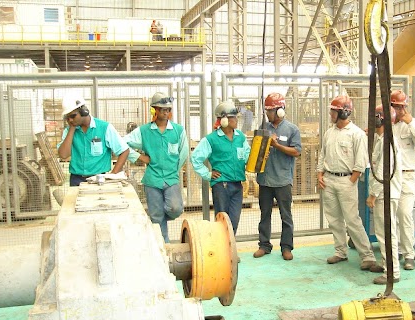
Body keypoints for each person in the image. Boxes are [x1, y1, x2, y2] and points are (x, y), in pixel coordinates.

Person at [317, 94, 377, 270]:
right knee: (334, 219)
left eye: (334, 111)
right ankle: (340, 252)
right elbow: (323, 154)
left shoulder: (357, 134)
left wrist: (351, 181)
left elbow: (361, 162)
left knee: (352, 220)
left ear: (344, 112)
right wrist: (320, 174)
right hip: (329, 180)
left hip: (346, 181)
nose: (331, 114)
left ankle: (367, 256)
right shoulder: (330, 132)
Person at [124, 92, 189, 243]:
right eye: (162, 109)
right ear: (154, 110)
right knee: (156, 217)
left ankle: (161, 217)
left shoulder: (178, 131)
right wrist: (139, 157)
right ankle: (163, 248)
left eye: (167, 110)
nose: (165, 113)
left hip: (171, 178)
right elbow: (123, 143)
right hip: (152, 179)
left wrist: (174, 169)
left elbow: (184, 152)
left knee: (175, 208)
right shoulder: (144, 131)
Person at [253, 93, 302, 261]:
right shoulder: (263, 127)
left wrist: (276, 145)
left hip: (282, 180)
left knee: (286, 216)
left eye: (271, 110)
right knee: (264, 214)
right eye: (266, 111)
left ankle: (286, 247)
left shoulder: (292, 129)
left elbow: (296, 151)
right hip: (265, 180)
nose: (268, 114)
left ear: (280, 110)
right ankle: (264, 245)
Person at [191, 100, 250, 235]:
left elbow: (247, 154)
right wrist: (208, 174)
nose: (236, 120)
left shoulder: (240, 137)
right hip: (221, 186)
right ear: (223, 120)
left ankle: (229, 249)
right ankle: (224, 251)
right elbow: (195, 158)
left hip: (237, 185)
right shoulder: (211, 139)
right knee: (222, 221)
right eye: (233, 117)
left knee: (234, 220)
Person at [58, 94, 129, 187]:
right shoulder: (69, 131)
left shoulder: (104, 128)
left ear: (84, 111)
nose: (70, 120)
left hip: (99, 179)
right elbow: (63, 155)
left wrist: (113, 175)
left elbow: (124, 150)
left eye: (73, 116)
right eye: (67, 118)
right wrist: (72, 128)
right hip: (76, 179)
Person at [390, 90, 415, 270]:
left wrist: (410, 123)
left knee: (404, 213)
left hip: (407, 174)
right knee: (392, 214)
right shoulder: (388, 125)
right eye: (397, 106)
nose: (401, 110)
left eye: (403, 106)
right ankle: (395, 251)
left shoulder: (412, 124)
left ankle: (409, 254)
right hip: (390, 175)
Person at [366, 105, 402, 284]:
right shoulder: (380, 138)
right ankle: (386, 264)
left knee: (387, 233)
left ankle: (393, 272)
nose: (373, 119)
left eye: (376, 116)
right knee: (384, 231)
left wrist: (373, 194)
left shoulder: (388, 140)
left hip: (385, 194)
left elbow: (382, 170)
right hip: (384, 192)